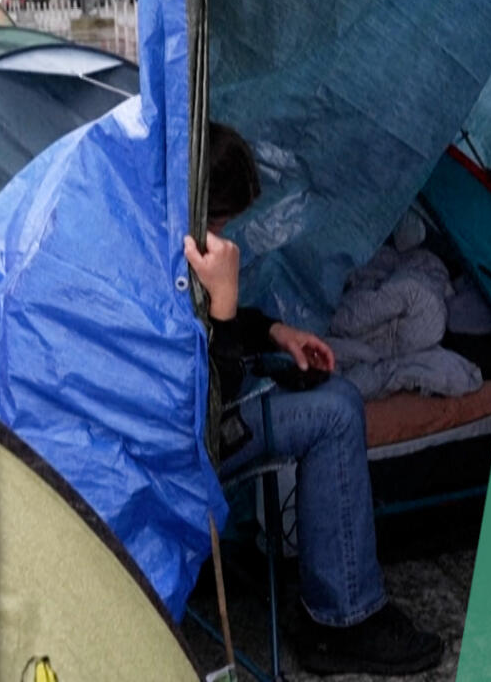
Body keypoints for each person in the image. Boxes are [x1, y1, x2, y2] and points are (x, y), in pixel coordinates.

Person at [184, 122, 445, 677]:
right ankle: (342, 622)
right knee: (334, 412)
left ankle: (338, 607)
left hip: (194, 423)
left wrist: (272, 330)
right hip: (181, 448)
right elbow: (206, 404)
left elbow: (204, 332)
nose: (227, 235)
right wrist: (226, 304)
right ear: (195, 207)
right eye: (221, 221)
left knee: (331, 393)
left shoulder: (164, 239)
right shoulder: (153, 255)